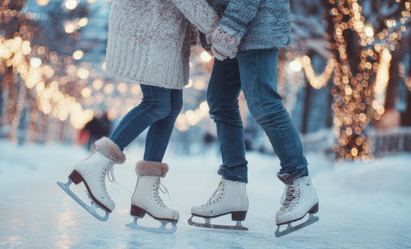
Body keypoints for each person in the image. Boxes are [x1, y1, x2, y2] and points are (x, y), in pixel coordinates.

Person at [60, 0, 219, 230]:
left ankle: (146, 191)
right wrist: (218, 28)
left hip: (167, 28)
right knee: (157, 103)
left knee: (171, 106)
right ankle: (94, 166)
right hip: (151, 27)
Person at [189, 0, 319, 232]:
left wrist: (230, 26)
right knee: (220, 100)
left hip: (256, 23)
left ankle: (301, 182)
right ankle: (233, 186)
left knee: (262, 102)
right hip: (231, 26)